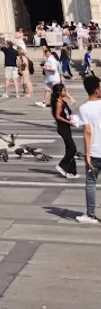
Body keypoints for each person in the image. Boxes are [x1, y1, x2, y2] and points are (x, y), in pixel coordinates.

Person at [77, 73, 101, 224]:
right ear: (96, 90)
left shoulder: (84, 108)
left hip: (94, 152)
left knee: (91, 183)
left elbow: (87, 132)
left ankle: (91, 215)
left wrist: (86, 154)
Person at [51, 81, 77, 179]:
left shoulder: (63, 101)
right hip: (63, 128)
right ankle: (61, 166)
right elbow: (57, 116)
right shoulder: (58, 103)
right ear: (59, 92)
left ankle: (71, 172)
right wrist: (69, 122)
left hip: (66, 127)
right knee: (72, 149)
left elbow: (67, 114)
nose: (66, 92)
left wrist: (72, 119)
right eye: (64, 90)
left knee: (69, 149)